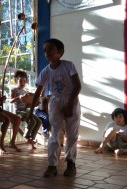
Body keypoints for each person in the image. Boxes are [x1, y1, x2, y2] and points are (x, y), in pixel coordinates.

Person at [28, 38, 81, 177]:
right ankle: (52, 165)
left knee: (72, 134)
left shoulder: (68, 65)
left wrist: (70, 104)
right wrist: (30, 111)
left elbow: (77, 86)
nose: (46, 52)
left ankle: (71, 163)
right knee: (55, 133)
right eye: (45, 50)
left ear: (60, 52)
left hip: (72, 99)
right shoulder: (45, 71)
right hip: (55, 101)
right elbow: (37, 92)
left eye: (50, 49)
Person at [10, 70, 41, 149]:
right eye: (20, 81)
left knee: (39, 121)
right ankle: (27, 136)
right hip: (19, 111)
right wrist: (19, 97)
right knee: (33, 121)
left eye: (24, 81)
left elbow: (27, 105)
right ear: (17, 81)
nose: (22, 83)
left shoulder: (25, 92)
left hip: (25, 110)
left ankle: (31, 138)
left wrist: (34, 104)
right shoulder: (14, 90)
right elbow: (11, 101)